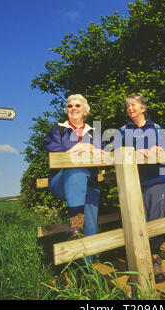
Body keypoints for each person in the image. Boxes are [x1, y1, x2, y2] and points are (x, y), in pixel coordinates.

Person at [115, 93, 165, 283]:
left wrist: (160, 150)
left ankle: (155, 258)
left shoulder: (157, 129)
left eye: (133, 105)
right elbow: (112, 152)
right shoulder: (122, 131)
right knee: (135, 223)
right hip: (132, 183)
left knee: (155, 220)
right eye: (127, 106)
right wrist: (131, 152)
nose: (130, 108)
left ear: (143, 108)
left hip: (157, 180)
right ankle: (138, 264)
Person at [44, 94, 103, 259]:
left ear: (85, 111)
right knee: (77, 170)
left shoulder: (94, 133)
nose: (73, 108)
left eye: (78, 106)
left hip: (90, 183)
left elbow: (104, 154)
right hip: (62, 180)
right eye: (70, 106)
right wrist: (80, 147)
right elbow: (55, 153)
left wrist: (93, 148)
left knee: (90, 227)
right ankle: (75, 221)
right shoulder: (58, 130)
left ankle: (86, 270)